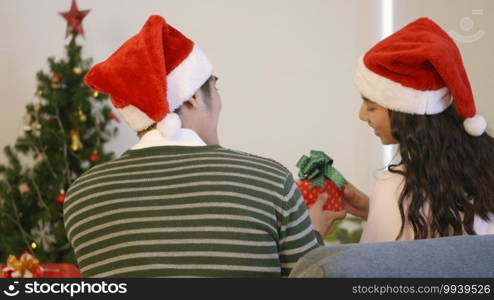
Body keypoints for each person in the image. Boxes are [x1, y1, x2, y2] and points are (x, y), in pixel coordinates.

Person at [62, 15, 345, 278]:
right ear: (192, 98)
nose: (220, 99)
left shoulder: (81, 196)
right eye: (215, 85)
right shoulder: (268, 181)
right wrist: (313, 238)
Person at [343, 17, 494, 243]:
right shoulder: (484, 173)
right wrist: (372, 210)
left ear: (404, 113)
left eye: (371, 106)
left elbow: (375, 270)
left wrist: (383, 209)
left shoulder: (393, 190)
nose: (362, 115)